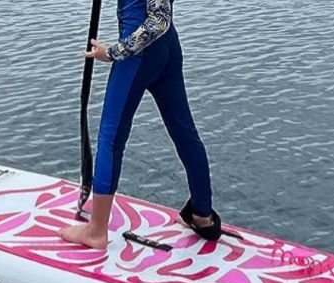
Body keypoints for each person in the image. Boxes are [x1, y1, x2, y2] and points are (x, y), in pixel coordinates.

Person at [59, 0, 222, 250]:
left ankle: (96, 231)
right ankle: (201, 215)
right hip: (167, 50)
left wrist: (113, 52)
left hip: (140, 54)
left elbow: (158, 20)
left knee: (111, 138)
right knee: (184, 133)